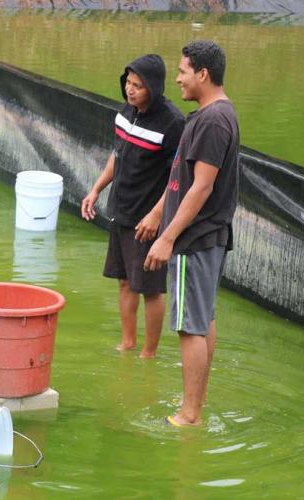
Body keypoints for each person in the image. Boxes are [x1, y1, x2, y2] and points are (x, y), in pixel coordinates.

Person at [141, 40, 240, 426]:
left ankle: (190, 413)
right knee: (202, 320)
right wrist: (155, 213)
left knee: (189, 327)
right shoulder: (209, 115)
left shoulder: (214, 120)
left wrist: (168, 237)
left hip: (193, 238)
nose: (178, 78)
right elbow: (181, 180)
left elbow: (201, 186)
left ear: (203, 74)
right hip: (206, 236)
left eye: (183, 71)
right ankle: (195, 403)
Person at [82, 54, 184, 358]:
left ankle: (148, 353)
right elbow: (118, 154)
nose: (131, 90)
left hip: (148, 220)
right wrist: (97, 188)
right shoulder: (126, 112)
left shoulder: (173, 122)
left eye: (138, 85)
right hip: (121, 211)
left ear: (153, 87)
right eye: (128, 83)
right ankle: (128, 342)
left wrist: (156, 215)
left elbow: (179, 177)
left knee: (151, 289)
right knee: (125, 281)